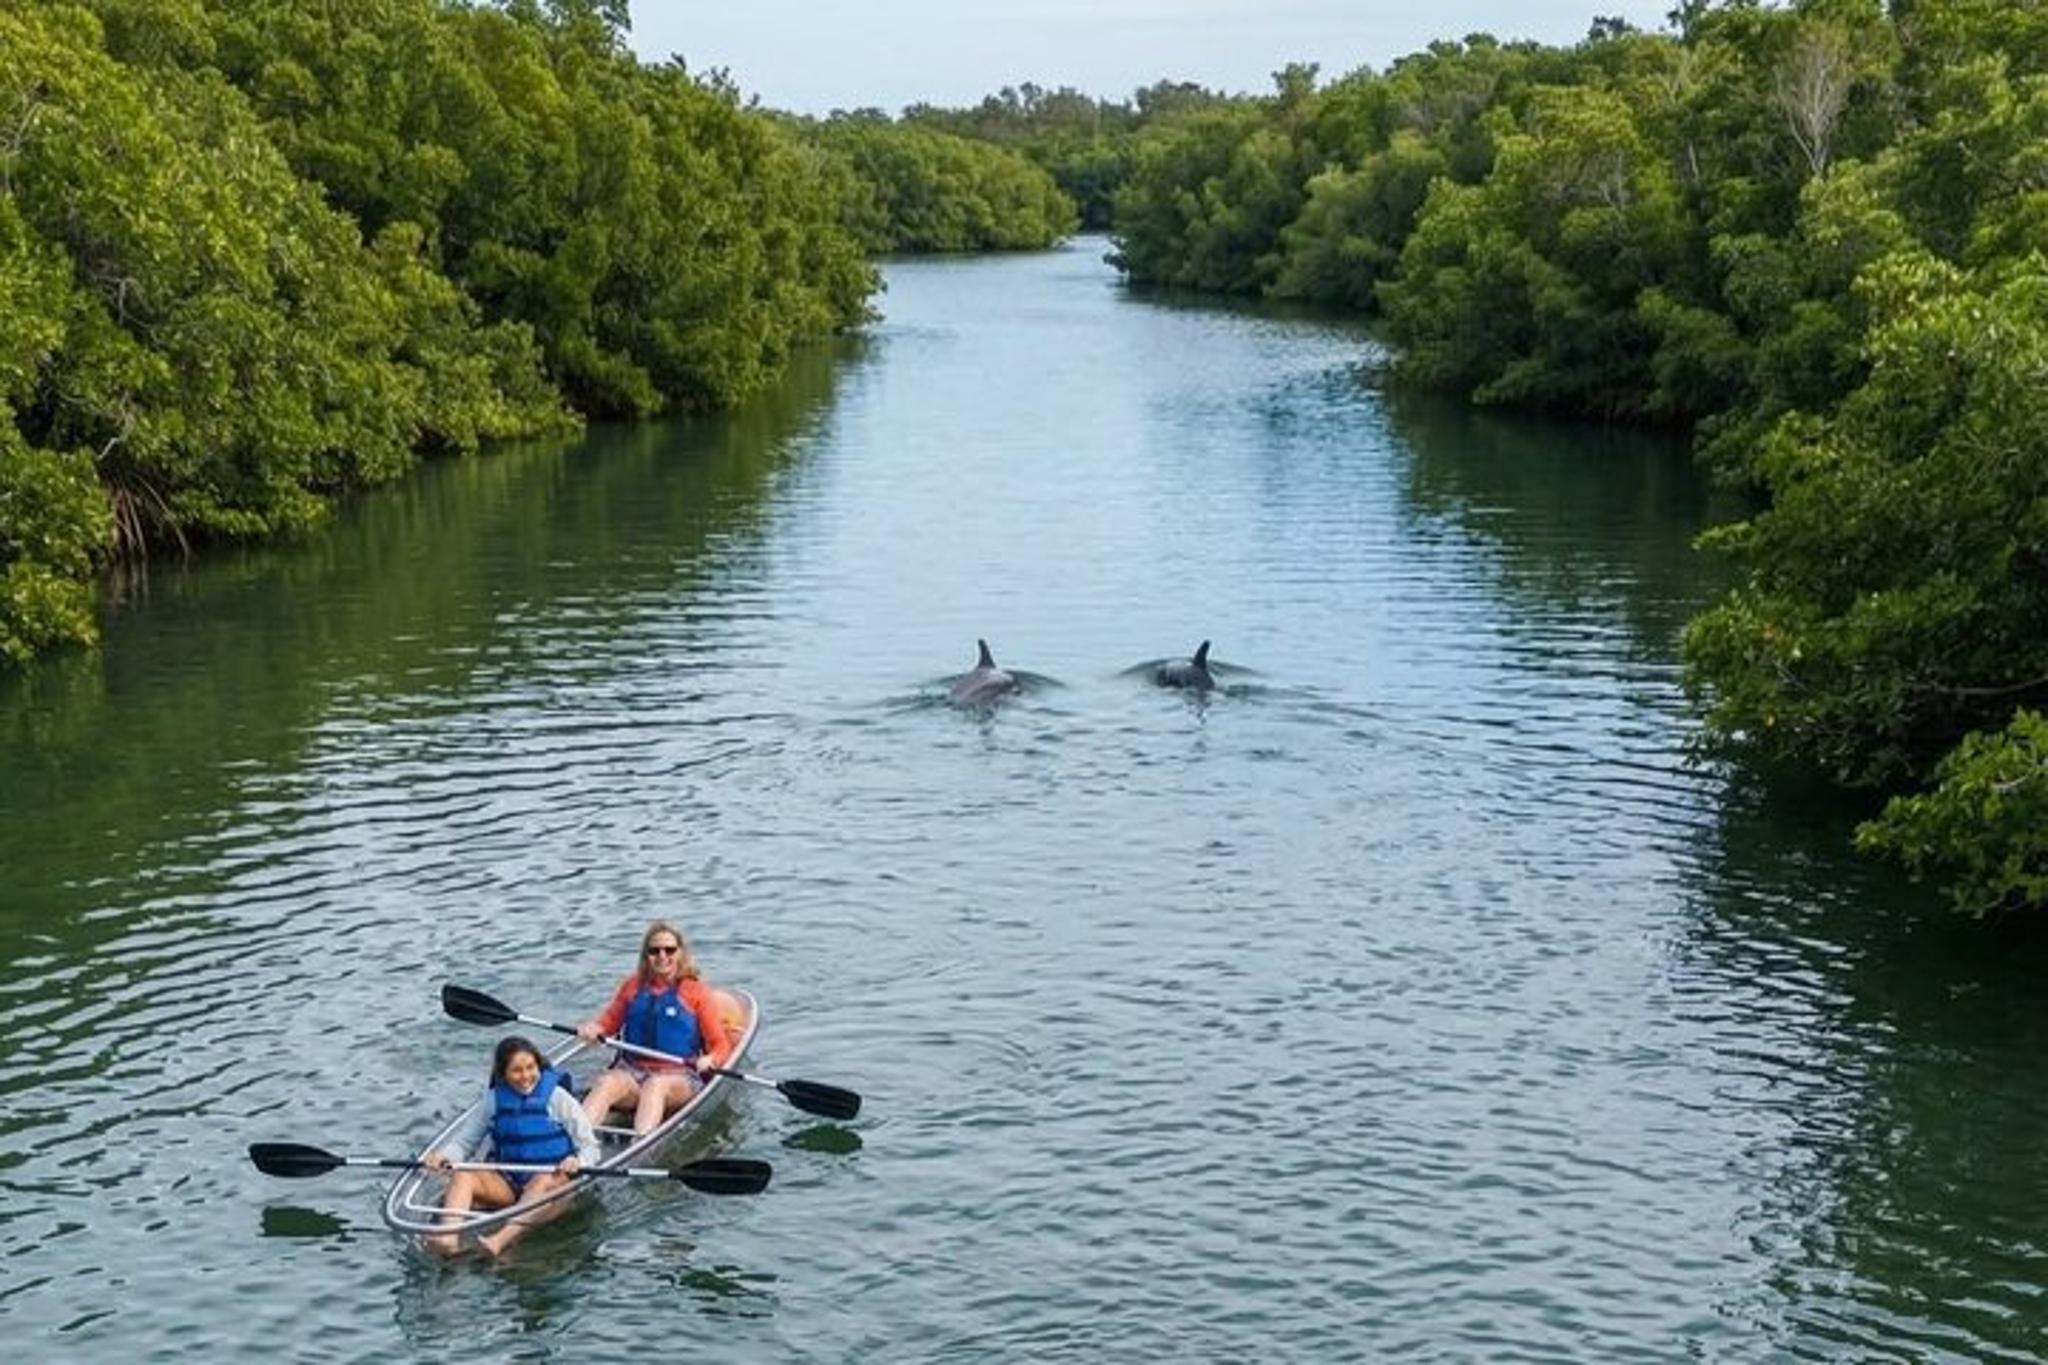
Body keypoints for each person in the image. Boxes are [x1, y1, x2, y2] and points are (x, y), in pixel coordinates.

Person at [422, 1035, 600, 1258]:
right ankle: (447, 1237)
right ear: (503, 1073)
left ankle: (501, 1240)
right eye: (517, 1070)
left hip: (555, 1184)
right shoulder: (494, 1100)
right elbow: (465, 1143)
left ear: (538, 1066)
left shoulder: (558, 1098)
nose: (525, 1077)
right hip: (511, 1184)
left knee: (542, 1181)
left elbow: (590, 1147)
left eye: (530, 1068)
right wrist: (443, 1157)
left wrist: (579, 1161)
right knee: (464, 1174)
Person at [576, 920, 734, 1135]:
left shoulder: (696, 992)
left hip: (679, 1076)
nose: (662, 956)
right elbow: (608, 1023)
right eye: (654, 950)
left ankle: (639, 1147)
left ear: (680, 953)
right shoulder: (632, 986)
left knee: (655, 1086)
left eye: (669, 950)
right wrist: (593, 1029)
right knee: (606, 1082)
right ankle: (577, 1146)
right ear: (646, 955)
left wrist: (711, 1059)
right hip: (632, 1072)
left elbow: (720, 1045)